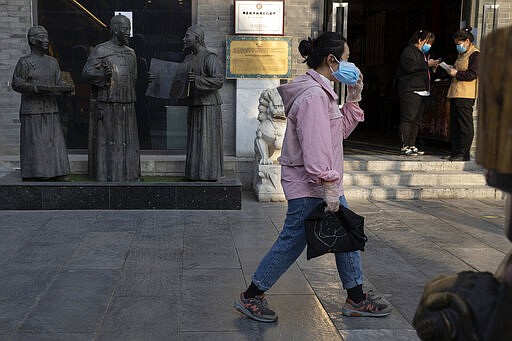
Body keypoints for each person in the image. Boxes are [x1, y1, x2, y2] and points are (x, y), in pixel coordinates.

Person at [234, 32, 391, 322]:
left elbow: (336, 134)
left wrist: (354, 100)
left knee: (345, 234)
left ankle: (355, 297)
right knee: (293, 240)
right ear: (331, 60)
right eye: (345, 59)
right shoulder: (314, 96)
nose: (349, 64)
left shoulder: (322, 91)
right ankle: (252, 296)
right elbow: (317, 148)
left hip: (322, 182)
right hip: (314, 185)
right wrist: (329, 184)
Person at [82, 14, 140, 181]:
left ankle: (128, 172)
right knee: (107, 140)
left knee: (127, 141)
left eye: (129, 28)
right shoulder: (101, 50)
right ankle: (106, 173)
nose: (128, 32)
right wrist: (103, 75)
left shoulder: (131, 53)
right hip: (108, 102)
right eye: (125, 29)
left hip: (127, 102)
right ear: (114, 30)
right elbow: (86, 73)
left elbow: (134, 77)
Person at [11, 25, 73, 181]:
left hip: (51, 107)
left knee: (54, 142)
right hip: (32, 109)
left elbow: (58, 82)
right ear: (32, 40)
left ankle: (57, 171)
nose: (46, 40)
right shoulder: (25, 62)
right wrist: (36, 88)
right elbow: (17, 84)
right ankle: (35, 173)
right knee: (35, 143)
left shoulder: (52, 62)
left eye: (47, 37)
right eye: (42, 37)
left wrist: (65, 88)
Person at [182, 25, 224, 181]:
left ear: (197, 38)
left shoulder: (209, 57)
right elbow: (179, 81)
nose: (184, 39)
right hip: (194, 104)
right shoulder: (188, 59)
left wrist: (198, 80)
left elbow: (218, 80)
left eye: (187, 36)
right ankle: (195, 172)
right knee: (195, 140)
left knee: (207, 140)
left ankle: (209, 173)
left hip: (208, 106)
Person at [396, 29, 440, 156]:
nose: (429, 46)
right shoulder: (409, 51)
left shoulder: (421, 53)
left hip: (423, 90)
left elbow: (421, 69)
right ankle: (405, 145)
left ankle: (412, 144)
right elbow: (411, 67)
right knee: (408, 118)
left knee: (417, 120)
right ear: (419, 40)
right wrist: (427, 64)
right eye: (427, 42)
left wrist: (431, 67)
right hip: (411, 89)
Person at [445, 27, 479, 161]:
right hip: (455, 93)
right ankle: (455, 151)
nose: (458, 46)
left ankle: (463, 153)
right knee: (455, 124)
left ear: (468, 41)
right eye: (456, 44)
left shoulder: (475, 55)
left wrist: (456, 73)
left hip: (466, 94)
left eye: (459, 44)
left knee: (464, 124)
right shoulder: (461, 55)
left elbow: (473, 74)